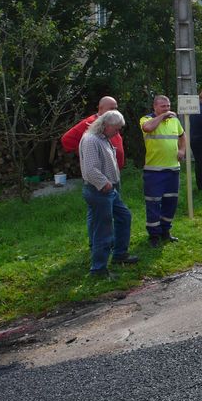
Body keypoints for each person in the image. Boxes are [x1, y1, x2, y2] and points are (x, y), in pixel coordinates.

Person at [78, 110, 136, 277]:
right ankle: (98, 269)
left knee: (124, 216)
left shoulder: (103, 138)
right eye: (116, 129)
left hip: (109, 190)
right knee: (103, 229)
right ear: (105, 125)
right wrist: (105, 184)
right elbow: (90, 170)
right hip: (99, 190)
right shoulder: (91, 140)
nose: (117, 133)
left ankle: (119, 254)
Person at [140, 95, 185, 247]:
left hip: (173, 169)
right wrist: (164, 116)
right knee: (153, 203)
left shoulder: (174, 121)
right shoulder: (146, 119)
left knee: (170, 202)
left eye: (168, 106)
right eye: (163, 106)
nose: (167, 109)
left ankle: (165, 231)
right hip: (154, 171)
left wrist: (182, 150)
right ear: (155, 107)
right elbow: (147, 128)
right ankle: (154, 235)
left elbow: (182, 135)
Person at [61, 96, 125, 169]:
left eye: (116, 109)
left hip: (113, 169)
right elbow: (67, 138)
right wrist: (85, 153)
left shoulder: (111, 121)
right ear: (100, 108)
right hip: (101, 170)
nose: (115, 111)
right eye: (111, 109)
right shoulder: (91, 122)